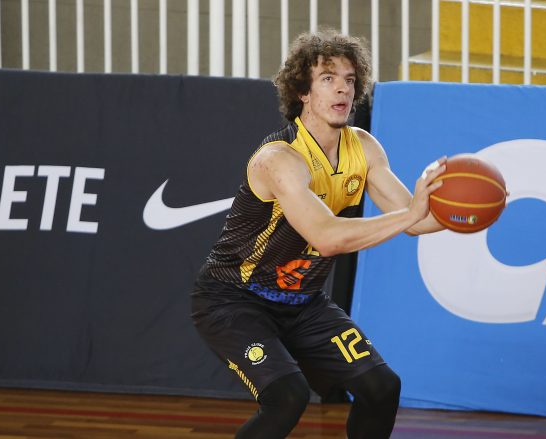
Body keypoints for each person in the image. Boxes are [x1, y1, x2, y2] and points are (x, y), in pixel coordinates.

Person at [191, 29, 446, 439]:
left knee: (382, 387)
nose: (342, 88)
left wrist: (469, 214)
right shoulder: (280, 159)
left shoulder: (363, 148)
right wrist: (412, 214)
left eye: (349, 79)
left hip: (303, 302)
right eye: (328, 79)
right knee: (287, 397)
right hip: (234, 299)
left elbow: (417, 221)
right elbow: (328, 237)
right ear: (303, 92)